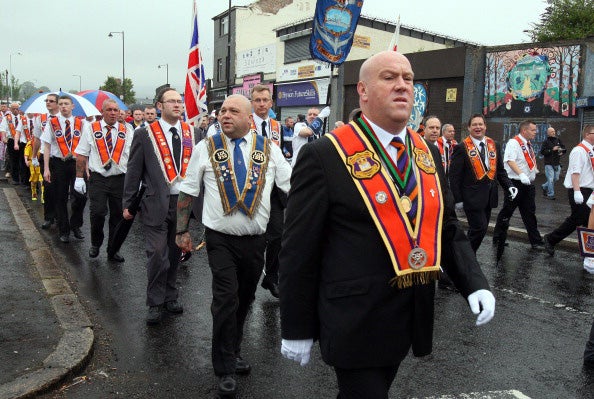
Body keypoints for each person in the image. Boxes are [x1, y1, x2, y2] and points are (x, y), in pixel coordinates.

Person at [279, 51, 495, 398]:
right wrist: (296, 325)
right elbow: (298, 248)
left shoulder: (424, 151)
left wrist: (474, 282)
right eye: (389, 78)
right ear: (362, 91)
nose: (401, 86)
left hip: (410, 315)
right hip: (354, 320)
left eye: (408, 79)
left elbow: (447, 227)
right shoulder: (325, 154)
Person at [175, 94, 291, 397]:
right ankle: (224, 369)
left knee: (244, 298)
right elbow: (188, 190)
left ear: (249, 117)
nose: (225, 115)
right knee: (225, 298)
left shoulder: (270, 151)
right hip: (219, 240)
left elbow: (292, 188)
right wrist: (181, 231)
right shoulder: (206, 147)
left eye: (233, 111)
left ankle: (234, 349)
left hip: (255, 242)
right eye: (222, 110)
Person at [122, 88, 192, 326]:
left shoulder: (192, 132)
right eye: (171, 101)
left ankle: (170, 296)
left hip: (182, 203)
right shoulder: (145, 134)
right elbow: (133, 170)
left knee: (175, 253)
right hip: (154, 202)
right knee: (157, 255)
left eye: (179, 101)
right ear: (159, 106)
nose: (177, 105)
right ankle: (154, 301)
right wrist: (128, 202)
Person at [74, 99, 134, 261]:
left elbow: (134, 157)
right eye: (110, 110)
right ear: (103, 112)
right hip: (98, 178)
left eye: (116, 110)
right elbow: (81, 154)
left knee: (117, 216)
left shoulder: (127, 130)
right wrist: (79, 178)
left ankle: (113, 249)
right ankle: (95, 243)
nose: (113, 113)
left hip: (120, 179)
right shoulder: (90, 128)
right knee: (98, 213)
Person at [449, 114, 514, 252]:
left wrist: (509, 186)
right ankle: (466, 258)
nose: (478, 127)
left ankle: (466, 256)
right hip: (471, 197)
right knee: (480, 228)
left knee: (478, 231)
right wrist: (458, 199)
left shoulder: (493, 145)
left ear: (485, 126)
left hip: (489, 196)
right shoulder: (461, 147)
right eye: (474, 125)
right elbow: (454, 177)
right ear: (469, 127)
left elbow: (500, 171)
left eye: (480, 124)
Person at [250, 84, 287, 298]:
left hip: (273, 190)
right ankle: (249, 281)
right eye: (257, 100)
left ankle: (271, 277)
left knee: (278, 236)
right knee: (255, 239)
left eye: (265, 100)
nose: (262, 104)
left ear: (271, 102)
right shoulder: (245, 124)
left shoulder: (276, 126)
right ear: (252, 102)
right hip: (251, 188)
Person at [41, 95, 87, 244]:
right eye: (60, 104)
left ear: (72, 106)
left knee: (80, 196)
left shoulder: (81, 123)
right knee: (60, 198)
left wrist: (87, 167)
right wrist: (46, 168)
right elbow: (47, 146)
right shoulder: (52, 123)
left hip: (76, 163)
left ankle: (76, 225)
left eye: (66, 104)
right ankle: (64, 229)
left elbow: (87, 147)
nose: (63, 106)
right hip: (58, 163)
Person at [493, 120, 545, 250]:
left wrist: (533, 171)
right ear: (524, 130)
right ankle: (498, 237)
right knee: (507, 211)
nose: (535, 132)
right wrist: (521, 174)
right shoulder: (514, 143)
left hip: (528, 184)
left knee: (529, 213)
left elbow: (526, 160)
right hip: (515, 183)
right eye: (533, 130)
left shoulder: (528, 144)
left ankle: (536, 241)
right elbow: (510, 160)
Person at [543, 124, 594, 256]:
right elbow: (575, 173)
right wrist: (577, 191)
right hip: (579, 190)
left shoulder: (591, 150)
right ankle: (551, 238)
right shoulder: (579, 151)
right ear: (588, 135)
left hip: (589, 191)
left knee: (588, 221)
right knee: (577, 219)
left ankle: (588, 249)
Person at [33, 94, 59, 230]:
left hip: (61, 158)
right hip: (45, 156)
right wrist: (33, 156)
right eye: (47, 101)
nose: (48, 103)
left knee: (60, 189)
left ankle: (61, 217)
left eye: (51, 101)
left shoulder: (63, 118)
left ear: (58, 103)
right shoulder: (40, 118)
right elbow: (37, 138)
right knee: (48, 188)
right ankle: (49, 217)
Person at [540, 126, 566, 200]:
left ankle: (544, 186)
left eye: (554, 131)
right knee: (550, 179)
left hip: (556, 163)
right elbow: (542, 152)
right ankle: (550, 194)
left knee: (556, 178)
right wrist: (552, 149)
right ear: (548, 133)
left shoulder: (558, 140)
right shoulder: (546, 142)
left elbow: (564, 148)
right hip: (548, 163)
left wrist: (562, 152)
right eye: (551, 132)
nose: (553, 132)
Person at [0, 103, 23, 185]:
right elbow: (3, 129)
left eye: (17, 108)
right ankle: (15, 178)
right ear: (10, 109)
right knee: (13, 160)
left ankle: (23, 179)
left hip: (22, 140)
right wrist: (4, 137)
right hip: (11, 140)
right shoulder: (7, 118)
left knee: (23, 160)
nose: (15, 110)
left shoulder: (22, 118)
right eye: (13, 108)